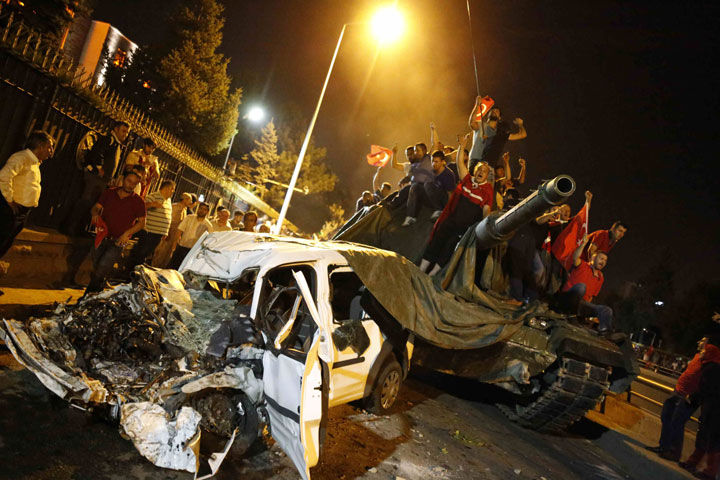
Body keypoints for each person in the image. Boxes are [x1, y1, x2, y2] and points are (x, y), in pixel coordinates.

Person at [419, 134, 493, 276]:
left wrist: (485, 223)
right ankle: (422, 269)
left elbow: (486, 209)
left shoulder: (487, 190)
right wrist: (462, 146)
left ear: (487, 176)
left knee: (449, 246)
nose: (480, 172)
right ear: (475, 171)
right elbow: (460, 164)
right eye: (479, 170)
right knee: (437, 240)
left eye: (484, 171)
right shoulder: (467, 180)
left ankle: (432, 274)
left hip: (464, 227)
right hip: (451, 219)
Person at [647, 335, 720, 462]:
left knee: (677, 422)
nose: (699, 342)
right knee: (667, 417)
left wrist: (693, 395)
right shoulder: (699, 356)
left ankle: (674, 452)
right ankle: (664, 446)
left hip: (688, 396)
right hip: (678, 390)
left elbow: (706, 380)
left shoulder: (710, 360)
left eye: (703, 341)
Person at [83, 171, 146, 295]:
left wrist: (127, 233)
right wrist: (95, 214)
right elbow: (96, 207)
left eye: (134, 183)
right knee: (98, 267)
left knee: (101, 269)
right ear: (123, 179)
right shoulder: (109, 193)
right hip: (102, 236)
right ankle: (98, 293)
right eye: (129, 181)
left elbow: (142, 223)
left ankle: (87, 296)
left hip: (119, 241)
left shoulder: (138, 201)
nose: (130, 185)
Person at [66, 120, 130, 235]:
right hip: (96, 178)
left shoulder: (117, 144)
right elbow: (97, 152)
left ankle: (81, 228)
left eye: (127, 132)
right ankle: (71, 226)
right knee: (86, 200)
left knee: (93, 203)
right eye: (123, 131)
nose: (125, 134)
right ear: (115, 129)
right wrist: (99, 166)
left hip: (103, 180)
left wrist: (112, 178)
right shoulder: (109, 140)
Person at [0, 131, 55, 264]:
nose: (51, 151)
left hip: (21, 211)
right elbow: (4, 176)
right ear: (40, 146)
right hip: (11, 209)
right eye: (49, 147)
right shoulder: (22, 158)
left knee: (5, 244)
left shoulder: (35, 163)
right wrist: (9, 200)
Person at [557, 234, 615, 334]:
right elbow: (575, 258)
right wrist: (583, 244)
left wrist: (585, 313)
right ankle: (571, 315)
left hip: (581, 304)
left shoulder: (600, 278)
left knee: (606, 310)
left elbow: (591, 297)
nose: (603, 262)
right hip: (567, 299)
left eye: (605, 260)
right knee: (581, 286)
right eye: (601, 258)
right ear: (592, 259)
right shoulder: (583, 265)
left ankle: (606, 331)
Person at [681, 335, 720, 478]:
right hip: (711, 409)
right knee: (705, 436)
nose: (702, 352)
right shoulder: (710, 367)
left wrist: (694, 397)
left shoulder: (712, 369)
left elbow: (707, 389)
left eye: (705, 351)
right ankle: (693, 462)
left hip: (714, 410)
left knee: (712, 440)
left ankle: (709, 471)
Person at [468, 97, 527, 175]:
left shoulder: (500, 134)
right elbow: (472, 123)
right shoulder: (481, 125)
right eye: (492, 110)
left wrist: (520, 125)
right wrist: (477, 105)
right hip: (476, 161)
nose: (493, 111)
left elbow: (523, 135)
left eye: (496, 111)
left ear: (499, 118)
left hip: (489, 166)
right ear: (488, 114)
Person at [126, 179, 175, 270]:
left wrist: (165, 231)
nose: (173, 192)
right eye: (173, 189)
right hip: (149, 232)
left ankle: (137, 270)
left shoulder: (168, 200)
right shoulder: (153, 196)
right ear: (167, 188)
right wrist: (151, 204)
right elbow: (141, 207)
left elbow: (168, 216)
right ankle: (131, 271)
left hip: (158, 233)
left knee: (147, 254)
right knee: (141, 253)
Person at [402, 150, 456, 226]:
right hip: (431, 197)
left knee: (428, 183)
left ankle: (439, 210)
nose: (433, 164)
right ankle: (411, 216)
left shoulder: (448, 174)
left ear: (442, 162)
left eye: (436, 162)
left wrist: (448, 211)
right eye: (432, 161)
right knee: (415, 187)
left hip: (443, 200)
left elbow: (450, 193)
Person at [152, 192, 192, 267]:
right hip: (170, 231)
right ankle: (155, 266)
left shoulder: (184, 209)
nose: (191, 202)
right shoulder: (175, 207)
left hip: (175, 234)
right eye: (189, 200)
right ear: (184, 199)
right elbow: (169, 220)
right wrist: (167, 232)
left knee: (169, 253)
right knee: (162, 251)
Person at [168, 202, 212, 270]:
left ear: (207, 212)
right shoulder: (189, 218)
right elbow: (179, 230)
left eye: (204, 209)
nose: (202, 210)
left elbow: (208, 240)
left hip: (193, 251)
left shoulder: (208, 225)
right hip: (181, 247)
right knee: (173, 267)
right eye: (200, 208)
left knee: (184, 270)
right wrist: (174, 246)